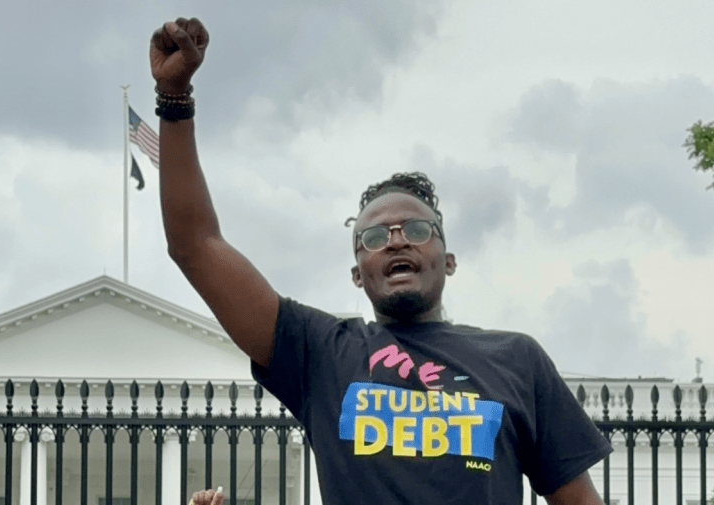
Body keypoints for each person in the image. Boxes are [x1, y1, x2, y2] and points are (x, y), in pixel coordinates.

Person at [151, 17, 611, 505]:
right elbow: (195, 246)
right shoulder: (320, 353)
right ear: (357, 273)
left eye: (416, 230)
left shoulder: (517, 361)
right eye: (374, 236)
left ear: (448, 259)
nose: (396, 241)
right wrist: (175, 99)